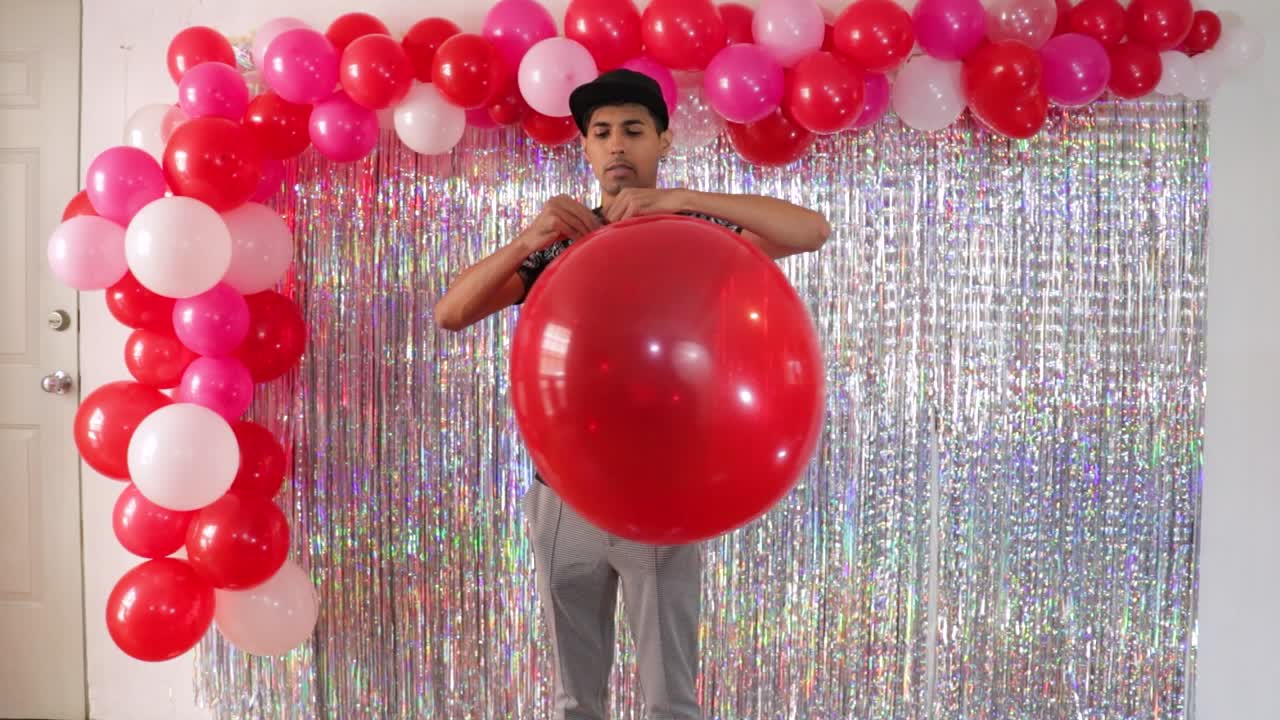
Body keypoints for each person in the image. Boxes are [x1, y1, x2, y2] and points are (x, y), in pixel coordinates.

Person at [433, 69, 830, 720]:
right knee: (575, 700)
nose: (616, 144)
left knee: (670, 698)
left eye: (633, 130)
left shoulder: (700, 232)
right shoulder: (561, 240)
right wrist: (528, 239)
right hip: (566, 493)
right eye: (601, 133)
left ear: (662, 142)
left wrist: (678, 200)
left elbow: (810, 231)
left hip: (664, 487)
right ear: (587, 148)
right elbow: (451, 313)